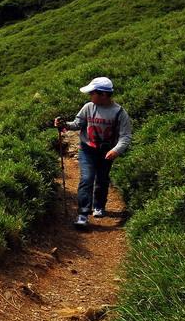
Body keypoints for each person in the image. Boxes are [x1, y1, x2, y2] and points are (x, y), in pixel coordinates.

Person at [54, 77, 132, 228]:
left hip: (106, 153)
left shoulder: (120, 113)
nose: (90, 96)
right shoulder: (88, 107)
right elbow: (77, 124)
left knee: (102, 180)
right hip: (87, 150)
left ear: (103, 94)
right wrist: (63, 126)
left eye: (92, 93)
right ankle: (83, 214)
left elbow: (126, 135)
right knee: (87, 178)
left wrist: (116, 150)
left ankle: (99, 206)